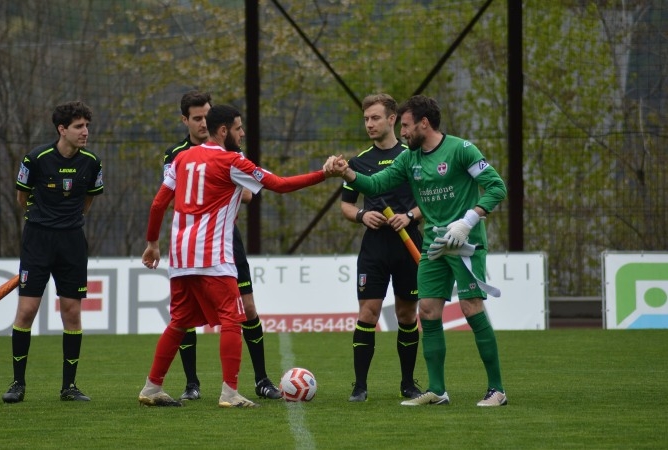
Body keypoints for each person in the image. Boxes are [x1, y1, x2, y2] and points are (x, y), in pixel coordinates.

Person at [138, 104, 338, 407]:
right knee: (233, 318)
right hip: (213, 256)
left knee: (178, 321)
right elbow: (280, 186)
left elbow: (157, 204)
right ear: (223, 131)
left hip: (180, 256)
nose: (242, 134)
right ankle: (230, 392)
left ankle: (152, 387)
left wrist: (152, 243)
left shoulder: (180, 158)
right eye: (238, 128)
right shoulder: (231, 160)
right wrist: (324, 174)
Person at [329, 94, 508, 407]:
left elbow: (497, 188)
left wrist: (467, 220)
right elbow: (374, 185)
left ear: (424, 124)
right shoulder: (409, 158)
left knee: (471, 309)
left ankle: (497, 390)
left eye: (408, 126)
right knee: (426, 311)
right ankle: (437, 390)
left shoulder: (462, 149)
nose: (404, 133)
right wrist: (346, 173)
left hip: (465, 243)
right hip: (433, 246)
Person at [163, 91, 282, 401]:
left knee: (248, 309)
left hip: (227, 237)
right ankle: (192, 383)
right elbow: (172, 197)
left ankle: (261, 379)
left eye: (207, 116)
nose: (203, 122)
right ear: (185, 120)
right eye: (197, 117)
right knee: (185, 317)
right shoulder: (175, 154)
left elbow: (249, 193)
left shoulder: (230, 150)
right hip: (192, 242)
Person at [1, 100, 104, 404]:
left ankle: (69, 387)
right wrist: (44, 219)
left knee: (72, 313)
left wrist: (67, 221)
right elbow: (22, 197)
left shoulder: (92, 162)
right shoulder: (36, 159)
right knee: (27, 310)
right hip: (38, 240)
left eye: (86, 125)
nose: (85, 131)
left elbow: (88, 201)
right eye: (78, 126)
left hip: (72, 242)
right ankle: (17, 383)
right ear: (62, 129)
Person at [341, 94, 423, 402]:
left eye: (375, 118)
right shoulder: (358, 162)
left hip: (408, 242)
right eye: (366, 119)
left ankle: (408, 384)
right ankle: (359, 387)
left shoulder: (413, 156)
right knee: (368, 312)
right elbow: (346, 207)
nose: (369, 124)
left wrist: (410, 216)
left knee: (406, 314)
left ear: (392, 119)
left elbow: (428, 200)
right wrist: (363, 215)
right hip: (374, 247)